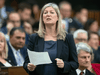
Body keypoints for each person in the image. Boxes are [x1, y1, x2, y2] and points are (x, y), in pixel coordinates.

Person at [23, 3, 78, 75]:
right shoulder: (34, 37)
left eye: (52, 12)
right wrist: (29, 67)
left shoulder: (67, 37)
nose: (48, 14)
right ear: (42, 18)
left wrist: (64, 65)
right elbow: (26, 62)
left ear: (58, 17)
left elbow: (75, 63)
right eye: (45, 13)